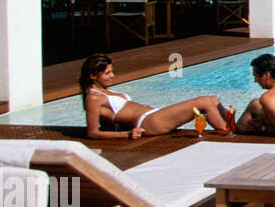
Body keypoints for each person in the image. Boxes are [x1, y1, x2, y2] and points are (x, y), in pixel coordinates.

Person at [80, 53, 227, 141]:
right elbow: (92, 133)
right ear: (93, 76)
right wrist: (127, 134)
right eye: (107, 73)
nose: (112, 75)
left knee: (213, 100)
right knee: (205, 102)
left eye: (111, 71)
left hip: (153, 116)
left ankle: (234, 129)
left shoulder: (105, 91)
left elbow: (110, 122)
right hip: (148, 123)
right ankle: (229, 135)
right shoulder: (93, 98)